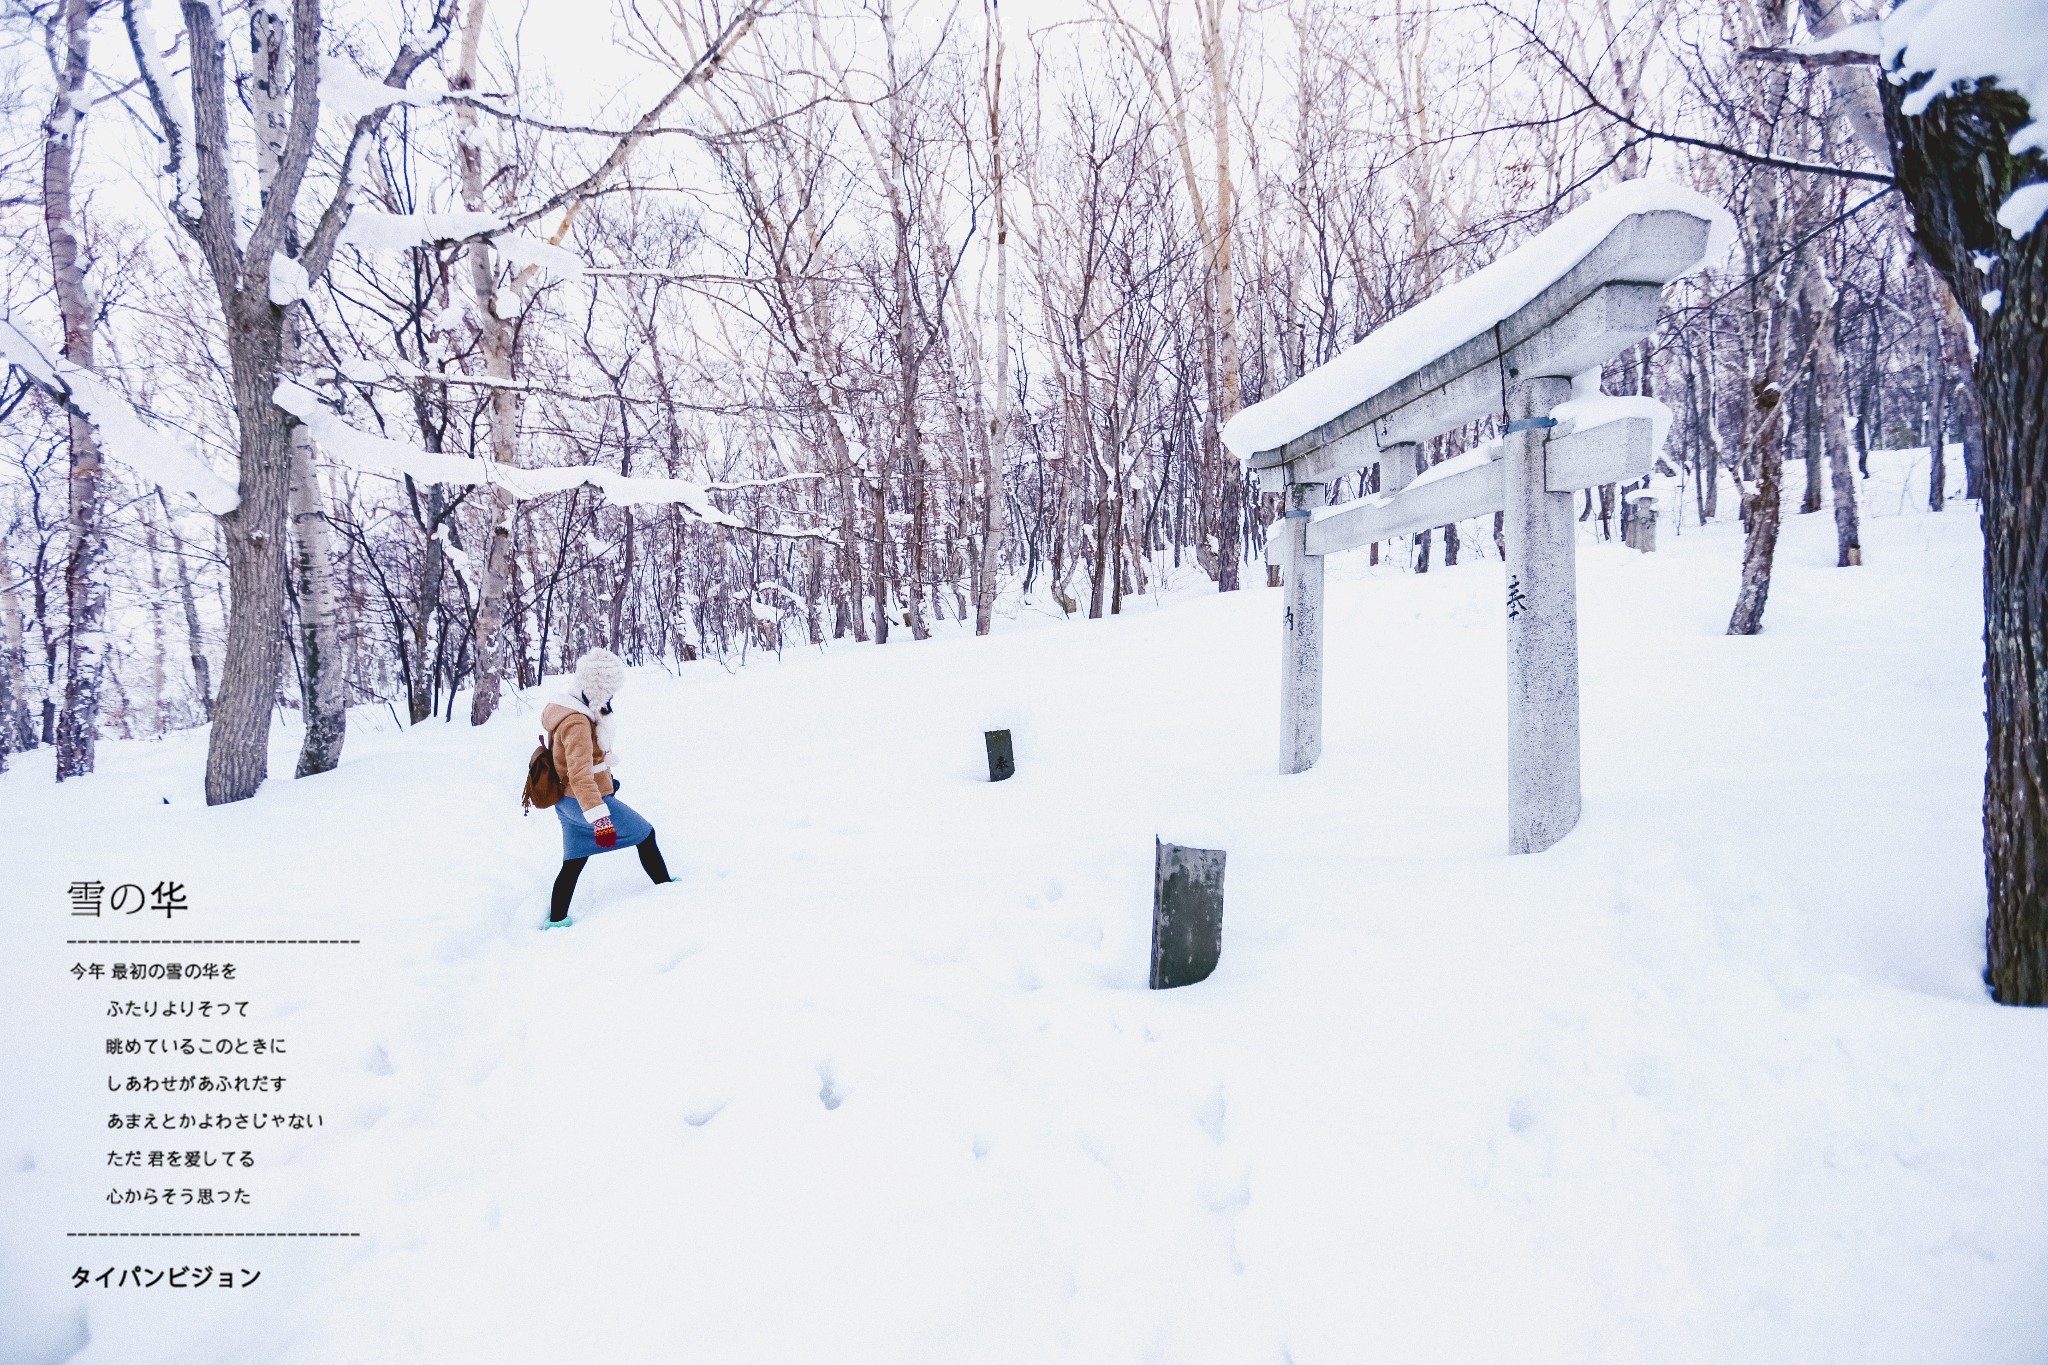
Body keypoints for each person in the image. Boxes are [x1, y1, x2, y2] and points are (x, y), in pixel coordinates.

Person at [538, 647, 673, 929]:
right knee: (645, 834)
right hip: (584, 801)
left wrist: (608, 783)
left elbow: (573, 764)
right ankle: (669, 891)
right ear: (597, 689)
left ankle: (557, 920)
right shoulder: (577, 722)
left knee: (573, 861)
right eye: (609, 691)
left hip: (567, 801)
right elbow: (579, 774)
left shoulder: (569, 709)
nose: (612, 698)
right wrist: (600, 818)